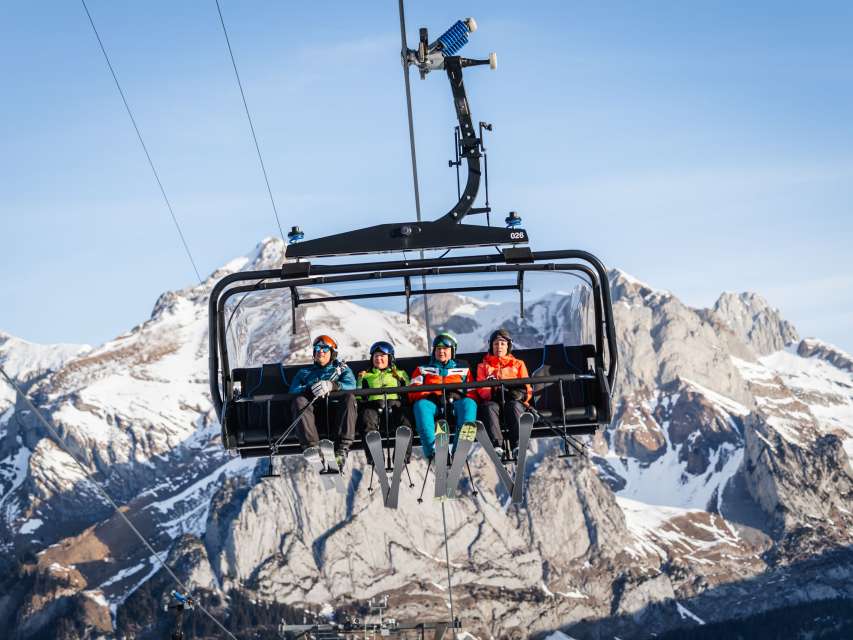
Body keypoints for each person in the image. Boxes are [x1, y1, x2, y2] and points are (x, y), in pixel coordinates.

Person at [289, 335, 357, 465]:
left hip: (337, 414)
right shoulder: (305, 372)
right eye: (318, 348)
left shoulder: (341, 370)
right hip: (313, 415)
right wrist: (310, 389)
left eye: (325, 349)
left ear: (332, 353)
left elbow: (352, 385)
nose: (321, 351)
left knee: (349, 398)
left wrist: (334, 385)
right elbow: (294, 390)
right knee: (299, 401)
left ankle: (341, 450)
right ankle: (312, 448)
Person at [409, 332, 478, 459]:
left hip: (455, 403)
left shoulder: (463, 369)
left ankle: (460, 448)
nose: (441, 352)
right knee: (421, 405)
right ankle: (433, 450)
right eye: (438, 349)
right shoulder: (422, 369)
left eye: (445, 349)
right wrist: (430, 395)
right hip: (432, 404)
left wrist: (458, 395)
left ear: (452, 351)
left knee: (469, 404)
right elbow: (413, 391)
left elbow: (472, 392)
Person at [476, 328, 532, 457]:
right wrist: (493, 391)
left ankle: (518, 445)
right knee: (488, 407)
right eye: (496, 344)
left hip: (512, 402)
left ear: (508, 346)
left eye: (502, 343)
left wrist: (521, 395)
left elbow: (527, 388)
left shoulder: (518, 364)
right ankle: (497, 446)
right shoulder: (483, 366)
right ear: (491, 346)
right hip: (494, 402)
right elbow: (481, 391)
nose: (499, 347)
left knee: (513, 406)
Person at [357, 340, 411, 465]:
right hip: (374, 406)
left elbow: (409, 390)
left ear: (390, 358)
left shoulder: (400, 374)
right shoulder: (366, 375)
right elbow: (359, 396)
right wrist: (360, 380)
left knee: (405, 419)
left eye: (382, 356)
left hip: (395, 405)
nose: (379, 359)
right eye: (376, 356)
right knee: (367, 418)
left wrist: (401, 382)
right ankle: (375, 456)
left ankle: (401, 456)